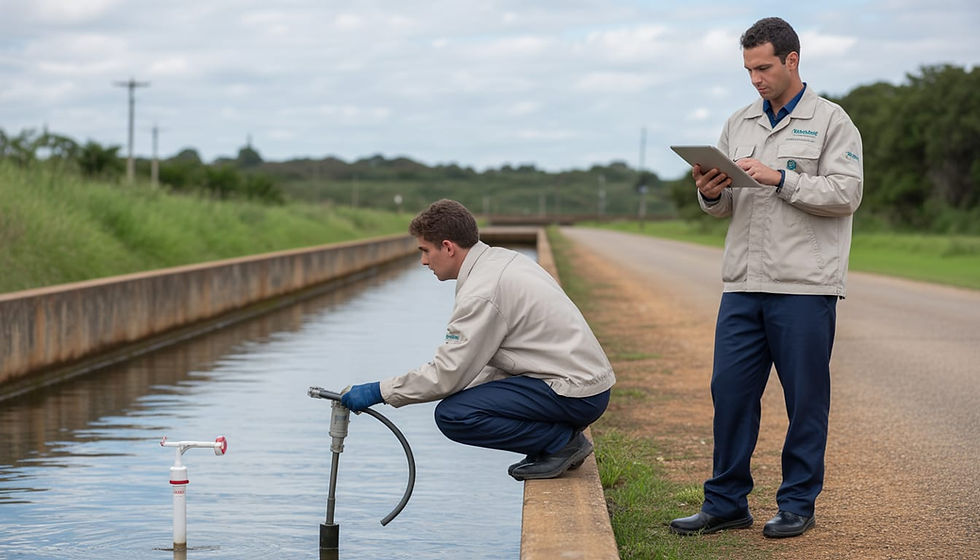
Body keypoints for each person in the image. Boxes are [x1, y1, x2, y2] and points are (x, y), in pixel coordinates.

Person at [668, 17, 863, 538]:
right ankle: (726, 503)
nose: (755, 78)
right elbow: (723, 207)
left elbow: (846, 195)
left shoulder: (832, 121)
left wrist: (782, 177)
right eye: (748, 69)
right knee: (729, 393)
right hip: (742, 285)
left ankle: (797, 503)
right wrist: (710, 191)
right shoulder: (739, 122)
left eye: (764, 67)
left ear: (792, 60)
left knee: (805, 401)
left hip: (804, 286)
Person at [341, 199, 616, 481]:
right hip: (585, 386)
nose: (423, 261)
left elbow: (447, 372)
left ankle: (560, 444)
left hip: (574, 393)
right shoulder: (499, 260)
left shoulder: (481, 292)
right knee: (462, 397)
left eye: (425, 251)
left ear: (448, 247)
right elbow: (475, 365)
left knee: (454, 415)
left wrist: (380, 391)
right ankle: (553, 442)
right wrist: (455, 385)